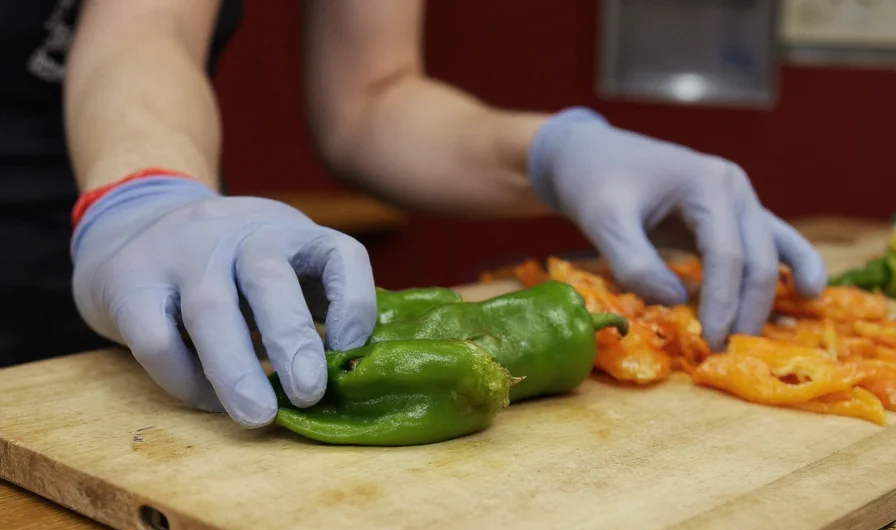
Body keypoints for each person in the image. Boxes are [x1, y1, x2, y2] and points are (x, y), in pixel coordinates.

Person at [2, 0, 827, 428]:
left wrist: (558, 151)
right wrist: (142, 197)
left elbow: (373, 98)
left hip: (104, 310)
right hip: (114, 216)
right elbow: (146, 30)